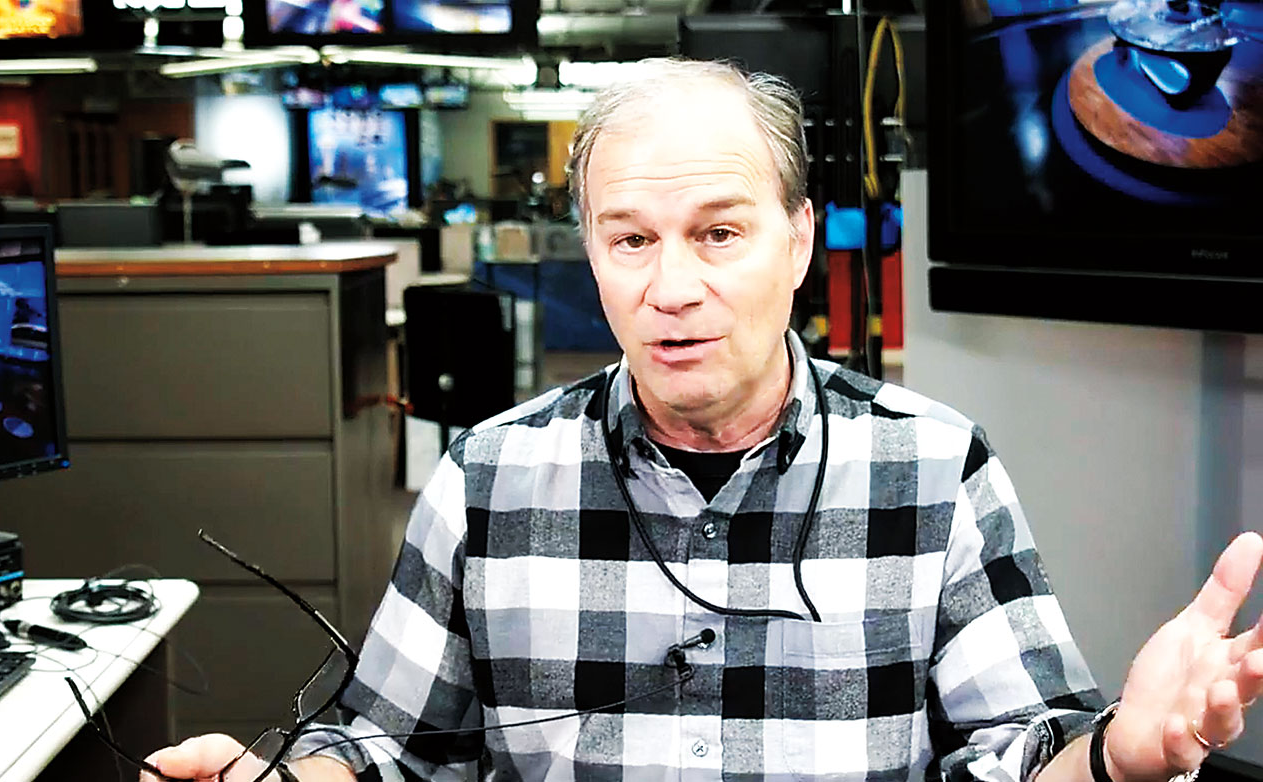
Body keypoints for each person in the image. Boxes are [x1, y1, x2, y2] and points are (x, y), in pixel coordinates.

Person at [143, 58, 1263, 782]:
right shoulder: (488, 476)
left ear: (799, 239)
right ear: (592, 253)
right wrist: (284, 779)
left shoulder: (931, 466)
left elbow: (1025, 753)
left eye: (719, 233)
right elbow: (389, 746)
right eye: (630, 239)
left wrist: (1116, 756)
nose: (670, 287)